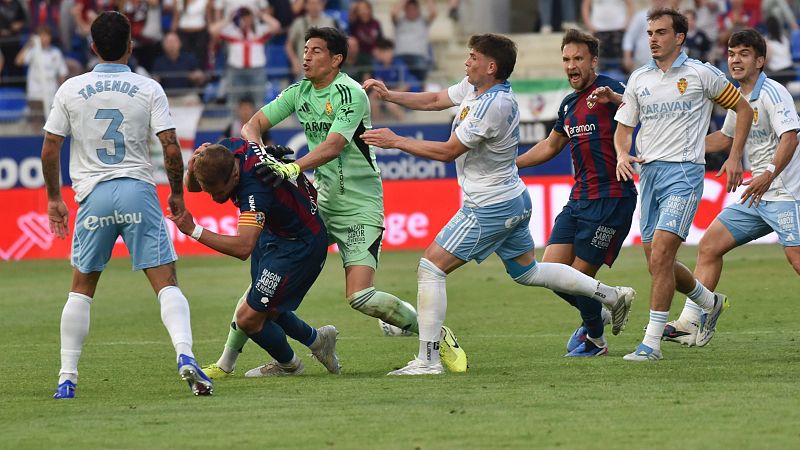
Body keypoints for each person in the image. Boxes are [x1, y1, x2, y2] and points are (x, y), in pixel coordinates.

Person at [361, 33, 636, 375]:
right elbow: (434, 100)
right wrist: (391, 96)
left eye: (473, 56)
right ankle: (610, 295)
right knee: (529, 271)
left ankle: (428, 361)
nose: (467, 61)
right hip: (511, 199)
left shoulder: (495, 105)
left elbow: (449, 152)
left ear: (491, 67)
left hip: (489, 206)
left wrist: (397, 140)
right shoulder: (474, 89)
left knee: (430, 268)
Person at [201, 26, 467, 379]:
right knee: (261, 284)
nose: (306, 56)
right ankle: (225, 362)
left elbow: (334, 145)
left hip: (360, 203)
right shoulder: (298, 92)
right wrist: (261, 151)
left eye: (315, 51)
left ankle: (435, 334)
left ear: (336, 59)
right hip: (321, 202)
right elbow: (252, 125)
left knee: (360, 296)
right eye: (305, 49)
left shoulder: (350, 93)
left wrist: (292, 166)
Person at [41, 11, 212, 398]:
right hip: (137, 189)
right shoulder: (148, 88)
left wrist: (54, 198)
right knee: (166, 283)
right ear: (131, 45)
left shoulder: (70, 89)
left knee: (81, 289)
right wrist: (178, 195)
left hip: (93, 196)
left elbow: (50, 148)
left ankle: (67, 377)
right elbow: (170, 146)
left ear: (93, 47)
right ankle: (185, 356)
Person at [613, 8, 753, 361]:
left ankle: (651, 343)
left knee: (661, 255)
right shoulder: (639, 79)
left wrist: (735, 156)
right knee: (655, 261)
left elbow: (744, 110)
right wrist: (620, 153)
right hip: (651, 176)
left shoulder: (700, 74)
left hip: (685, 174)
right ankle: (709, 300)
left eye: (661, 32)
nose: (653, 39)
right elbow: (624, 128)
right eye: (649, 33)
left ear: (679, 37)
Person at [663, 29, 800, 346]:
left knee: (796, 260)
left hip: (785, 194)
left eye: (744, 54)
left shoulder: (773, 94)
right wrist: (679, 147)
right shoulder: (738, 98)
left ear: (760, 60)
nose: (735, 60)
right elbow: (724, 139)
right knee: (710, 245)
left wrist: (766, 173)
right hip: (757, 195)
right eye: (732, 53)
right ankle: (691, 322)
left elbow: (790, 137)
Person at [170, 138, 341, 377]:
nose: (213, 197)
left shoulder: (255, 188)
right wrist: (193, 167)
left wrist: (193, 230)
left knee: (248, 318)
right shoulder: (225, 152)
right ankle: (317, 340)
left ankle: (290, 366)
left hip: (299, 246)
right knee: (266, 309)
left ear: (234, 178)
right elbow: (194, 186)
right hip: (275, 233)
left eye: (217, 191)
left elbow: (242, 247)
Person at [516, 29, 638, 357]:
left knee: (580, 277)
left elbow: (641, 108)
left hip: (612, 198)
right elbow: (550, 145)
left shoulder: (611, 88)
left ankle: (596, 339)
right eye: (567, 59)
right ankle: (606, 303)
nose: (572, 65)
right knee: (551, 274)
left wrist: (615, 100)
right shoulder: (569, 104)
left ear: (593, 61)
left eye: (579, 58)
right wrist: (512, 165)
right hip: (578, 200)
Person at [285, 0, 338, 79]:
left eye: (317, 3)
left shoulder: (329, 22)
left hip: (325, 68)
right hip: (304, 68)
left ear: (322, 5)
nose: (315, 6)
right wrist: (294, 61)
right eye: (312, 3)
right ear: (306, 6)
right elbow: (289, 45)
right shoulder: (298, 23)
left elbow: (336, 44)